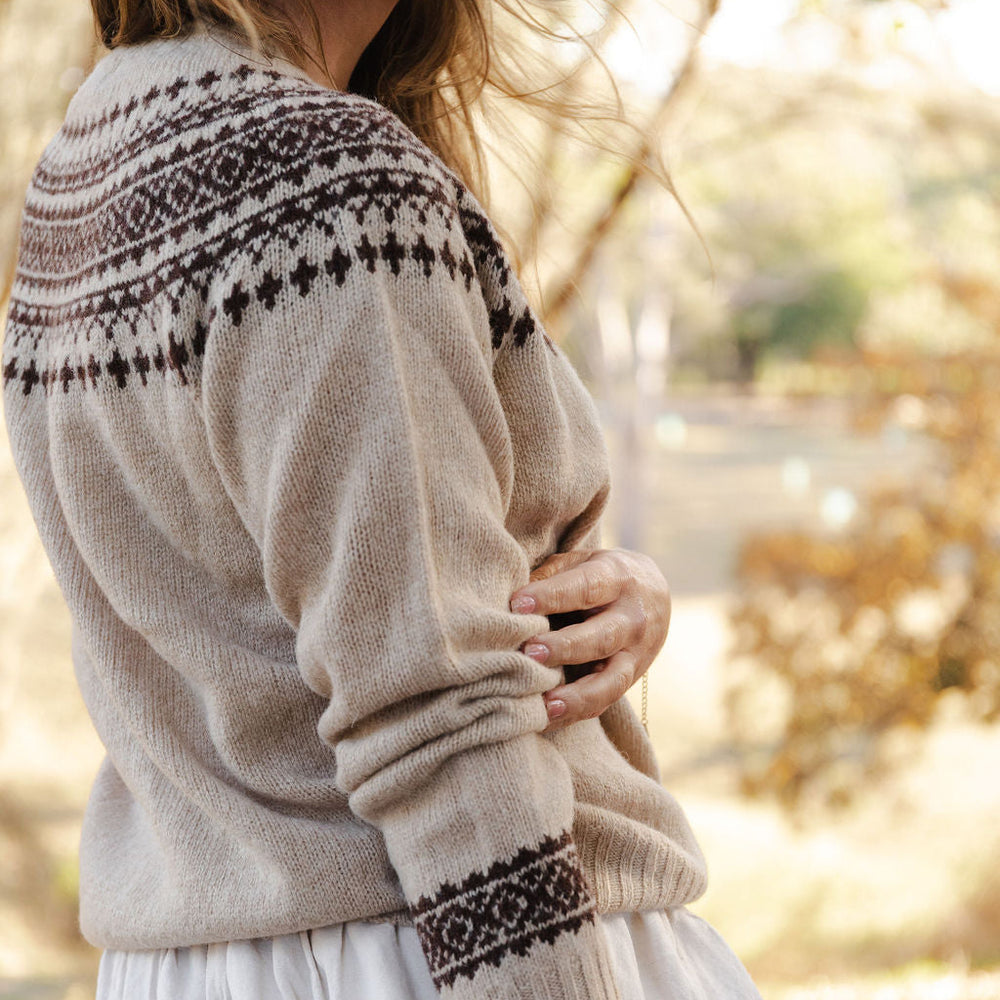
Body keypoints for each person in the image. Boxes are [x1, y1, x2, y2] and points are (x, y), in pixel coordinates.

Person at [1, 1, 764, 997]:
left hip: (201, 962)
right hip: (433, 940)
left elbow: (246, 609)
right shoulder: (325, 182)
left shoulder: (83, 167)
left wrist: (608, 588)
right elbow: (438, 706)